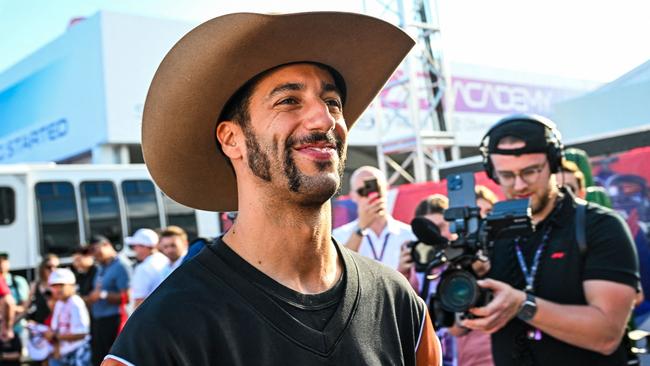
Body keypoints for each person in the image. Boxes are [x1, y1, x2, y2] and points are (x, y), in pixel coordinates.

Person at [102, 11, 440, 365]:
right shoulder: (165, 331)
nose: (324, 119)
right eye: (289, 101)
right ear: (232, 139)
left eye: (332, 102)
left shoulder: (399, 305)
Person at [462, 114, 639, 365]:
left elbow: (607, 334)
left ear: (555, 164)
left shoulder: (600, 226)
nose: (520, 184)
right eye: (507, 176)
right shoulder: (492, 234)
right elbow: (458, 328)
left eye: (530, 171)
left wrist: (522, 304)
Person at [332, 166, 416, 271]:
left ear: (387, 189)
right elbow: (338, 268)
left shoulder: (410, 234)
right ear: (353, 196)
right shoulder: (339, 235)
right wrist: (360, 228)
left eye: (377, 188)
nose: (372, 195)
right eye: (363, 191)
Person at [84, 235, 130, 366]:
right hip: (99, 321)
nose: (93, 254)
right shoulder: (101, 267)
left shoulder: (121, 265)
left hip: (114, 320)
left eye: (95, 249)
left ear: (106, 245)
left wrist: (102, 295)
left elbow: (127, 297)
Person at [45, 268, 91, 366]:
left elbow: (82, 333)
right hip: (63, 354)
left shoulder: (76, 302)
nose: (57, 289)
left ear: (71, 285)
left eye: (61, 285)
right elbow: (55, 330)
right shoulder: (59, 304)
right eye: (54, 286)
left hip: (78, 353)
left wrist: (55, 336)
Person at [125, 228, 168, 308]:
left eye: (135, 246)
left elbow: (139, 302)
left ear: (144, 246)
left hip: (152, 315)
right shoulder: (165, 260)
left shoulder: (143, 268)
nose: (134, 249)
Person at [0, 252, 29, 365]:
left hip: (16, 329)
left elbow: (16, 305)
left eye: (3, 261)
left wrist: (8, 326)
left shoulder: (18, 281)